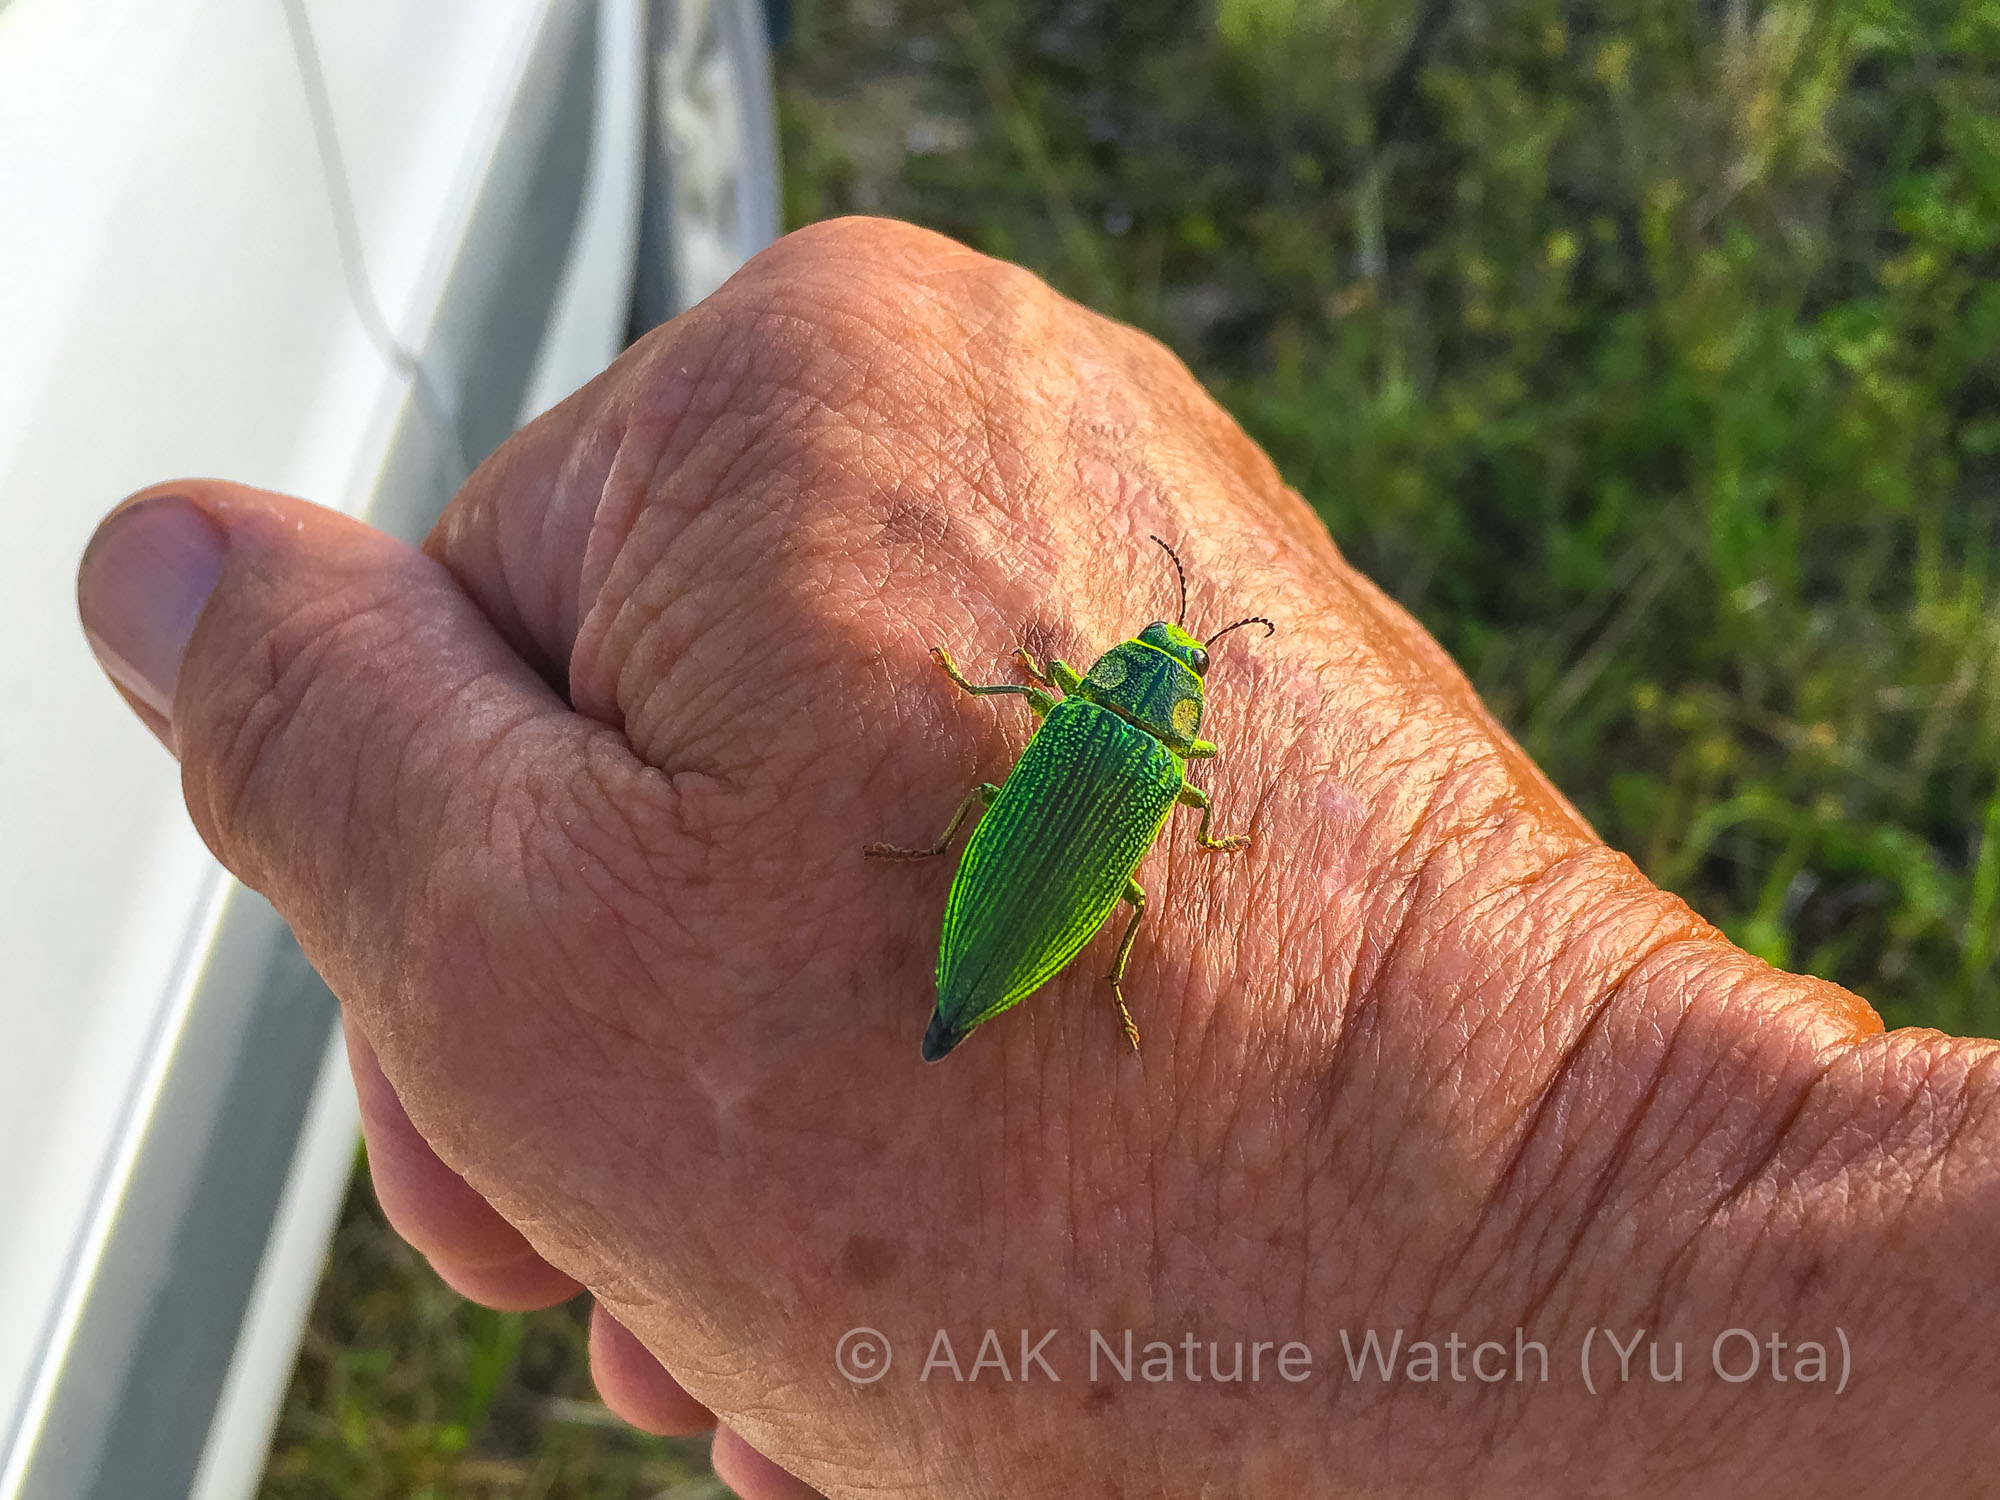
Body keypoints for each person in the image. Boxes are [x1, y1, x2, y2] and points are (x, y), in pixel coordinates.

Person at [74, 218, 1997, 1499]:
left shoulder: (1093, 729)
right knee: (1030, 873)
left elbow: (1035, 744)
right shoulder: (1141, 756)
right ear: (1141, 691)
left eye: (1159, 670)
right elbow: (1110, 796)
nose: (1159, 668)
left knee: (1008, 865)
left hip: (1021, 879)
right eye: (1157, 659)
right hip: (1028, 886)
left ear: (1127, 694)